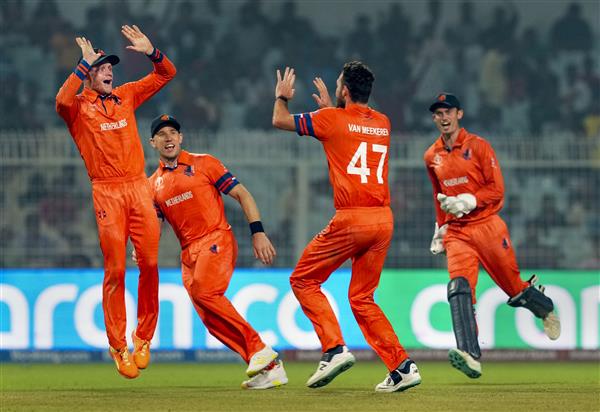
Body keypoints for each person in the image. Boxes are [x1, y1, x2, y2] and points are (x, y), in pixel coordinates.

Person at [272, 63, 421, 393]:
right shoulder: (383, 123)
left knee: (303, 280)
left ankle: (334, 349)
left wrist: (282, 97)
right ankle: (402, 367)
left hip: (352, 218)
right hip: (383, 220)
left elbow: (280, 120)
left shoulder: (331, 119)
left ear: (344, 91)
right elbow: (350, 135)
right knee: (362, 298)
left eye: (339, 84)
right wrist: (332, 110)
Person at [55, 25, 176, 379]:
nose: (109, 71)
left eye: (111, 67)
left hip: (138, 187)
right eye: (102, 67)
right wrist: (83, 63)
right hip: (107, 191)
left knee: (150, 263)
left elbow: (166, 74)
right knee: (116, 270)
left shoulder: (126, 95)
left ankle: (143, 338)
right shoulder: (78, 107)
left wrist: (152, 52)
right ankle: (118, 346)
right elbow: (60, 100)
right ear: (88, 75)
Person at [424, 93, 561, 379]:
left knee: (515, 290)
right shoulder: (431, 156)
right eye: (438, 113)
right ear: (434, 118)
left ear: (459, 114)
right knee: (459, 288)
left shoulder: (479, 146)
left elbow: (497, 190)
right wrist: (440, 227)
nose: (443, 117)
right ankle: (470, 354)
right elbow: (438, 196)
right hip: (457, 233)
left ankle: (545, 308)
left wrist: (469, 200)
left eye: (448, 111)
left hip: (487, 226)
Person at [145, 114, 287, 390]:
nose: (168, 138)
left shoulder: (204, 163)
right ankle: (270, 369)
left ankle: (259, 348)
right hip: (188, 254)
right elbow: (155, 225)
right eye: (161, 134)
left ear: (181, 138)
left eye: (173, 132)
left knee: (205, 293)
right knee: (210, 320)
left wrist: (258, 232)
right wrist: (142, 247)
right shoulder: (152, 185)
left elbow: (242, 194)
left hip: (216, 238)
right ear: (153, 143)